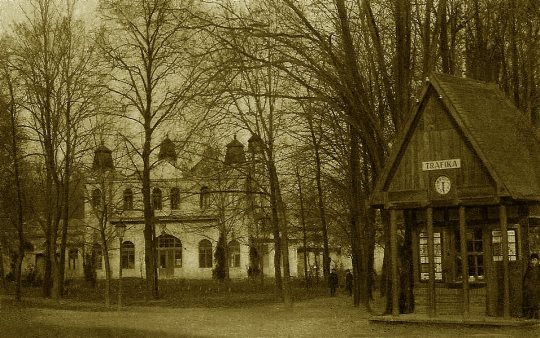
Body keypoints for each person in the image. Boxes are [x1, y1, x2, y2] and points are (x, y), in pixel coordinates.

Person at [523, 253, 540, 319]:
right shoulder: (529, 268)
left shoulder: (539, 268)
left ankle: (537, 316)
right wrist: (526, 286)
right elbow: (526, 278)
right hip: (530, 288)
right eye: (532, 260)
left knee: (536, 302)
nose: (534, 261)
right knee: (529, 301)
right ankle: (530, 315)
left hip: (537, 288)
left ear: (538, 260)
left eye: (535, 260)